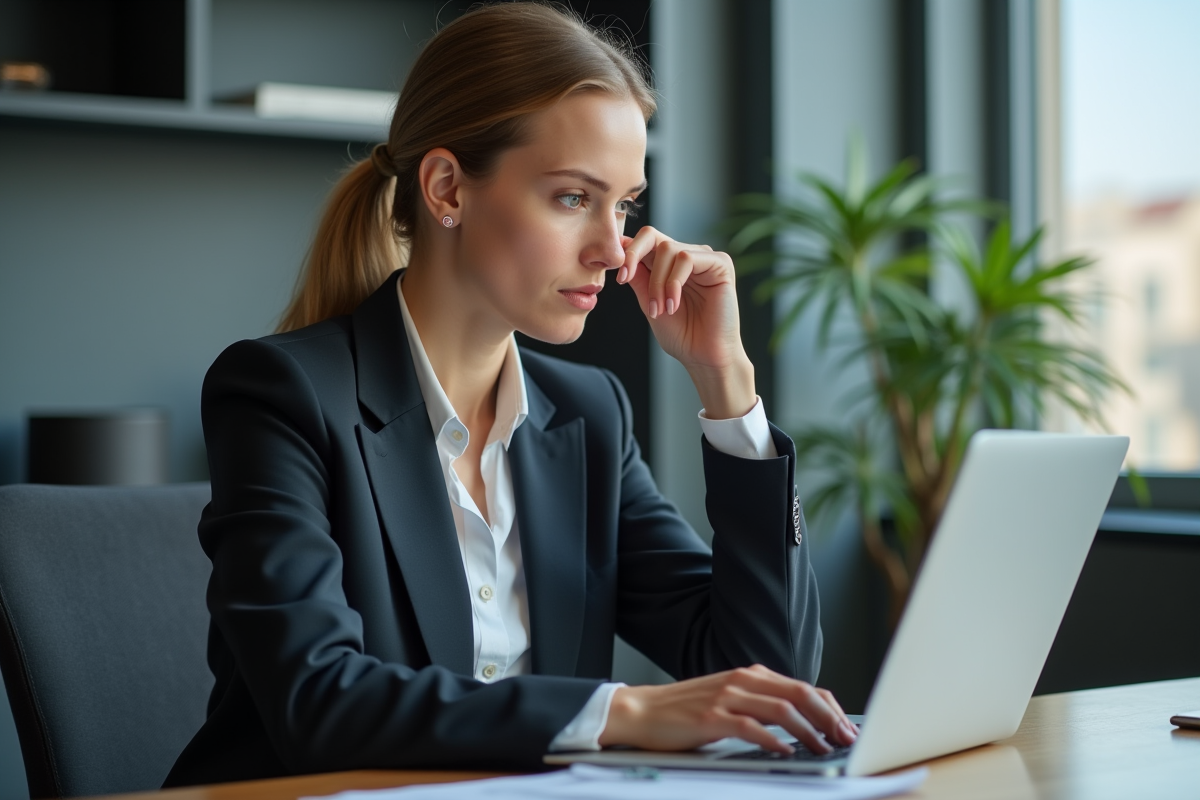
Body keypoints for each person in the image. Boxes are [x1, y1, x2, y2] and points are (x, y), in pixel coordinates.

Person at [165, 2, 856, 787]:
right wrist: (622, 712)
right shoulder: (283, 394)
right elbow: (319, 702)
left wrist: (728, 385)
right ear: (448, 188)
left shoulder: (589, 415)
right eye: (572, 197)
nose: (612, 248)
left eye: (624, 204)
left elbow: (768, 673)